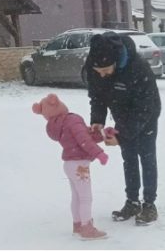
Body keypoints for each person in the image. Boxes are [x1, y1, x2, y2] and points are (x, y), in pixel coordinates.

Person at [84, 31, 161, 225]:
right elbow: (97, 96)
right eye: (97, 71)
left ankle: (149, 204)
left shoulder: (138, 68)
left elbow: (145, 108)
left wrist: (123, 134)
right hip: (122, 115)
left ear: (116, 61)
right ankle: (132, 201)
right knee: (129, 158)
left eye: (105, 70)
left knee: (146, 156)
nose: (101, 74)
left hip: (146, 116)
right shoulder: (95, 67)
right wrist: (98, 119)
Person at [32, 93, 110, 240]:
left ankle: (78, 225)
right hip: (80, 165)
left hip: (70, 164)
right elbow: (84, 139)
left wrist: (104, 134)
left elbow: (84, 136)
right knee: (86, 198)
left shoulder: (58, 125)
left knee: (77, 196)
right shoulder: (72, 120)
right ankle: (87, 228)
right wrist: (99, 154)